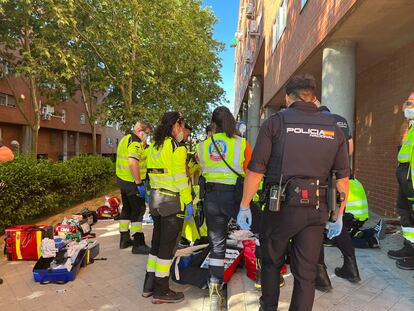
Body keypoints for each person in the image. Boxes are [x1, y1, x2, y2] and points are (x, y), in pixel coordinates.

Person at [238, 74, 350, 311]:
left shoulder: (275, 122)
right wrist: (339, 214)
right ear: (313, 97)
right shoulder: (335, 128)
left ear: (288, 97)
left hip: (279, 209)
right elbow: (342, 179)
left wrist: (245, 205)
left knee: (270, 264)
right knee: (305, 274)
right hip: (316, 211)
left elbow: (255, 171)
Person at [196, 106, 252, 310]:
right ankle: (263, 277)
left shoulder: (202, 146)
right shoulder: (241, 143)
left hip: (211, 198)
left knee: (217, 244)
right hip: (235, 196)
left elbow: (202, 169)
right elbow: (251, 172)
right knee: (258, 234)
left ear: (213, 123)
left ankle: (214, 293)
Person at [143, 111, 193, 304]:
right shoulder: (177, 148)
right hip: (172, 203)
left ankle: (149, 285)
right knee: (167, 247)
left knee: (156, 244)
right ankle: (161, 290)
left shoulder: (153, 146)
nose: (182, 130)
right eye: (181, 126)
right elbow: (181, 179)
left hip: (155, 201)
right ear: (175, 126)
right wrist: (188, 202)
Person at [314, 103, 362, 290]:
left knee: (317, 221)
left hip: (321, 176)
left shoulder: (317, 122)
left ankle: (321, 275)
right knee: (337, 216)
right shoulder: (341, 121)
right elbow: (349, 149)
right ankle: (352, 267)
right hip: (340, 174)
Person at [116, 121, 151, 254]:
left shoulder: (125, 138)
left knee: (127, 209)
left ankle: (124, 239)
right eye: (146, 133)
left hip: (122, 180)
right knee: (138, 210)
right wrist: (138, 183)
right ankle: (138, 243)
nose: (146, 136)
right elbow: (132, 162)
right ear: (140, 131)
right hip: (132, 182)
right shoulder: (135, 143)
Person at [387, 92, 414, 270]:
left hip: (411, 183)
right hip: (406, 183)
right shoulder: (411, 128)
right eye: (407, 103)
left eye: (411, 104)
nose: (407, 107)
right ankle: (409, 248)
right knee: (406, 215)